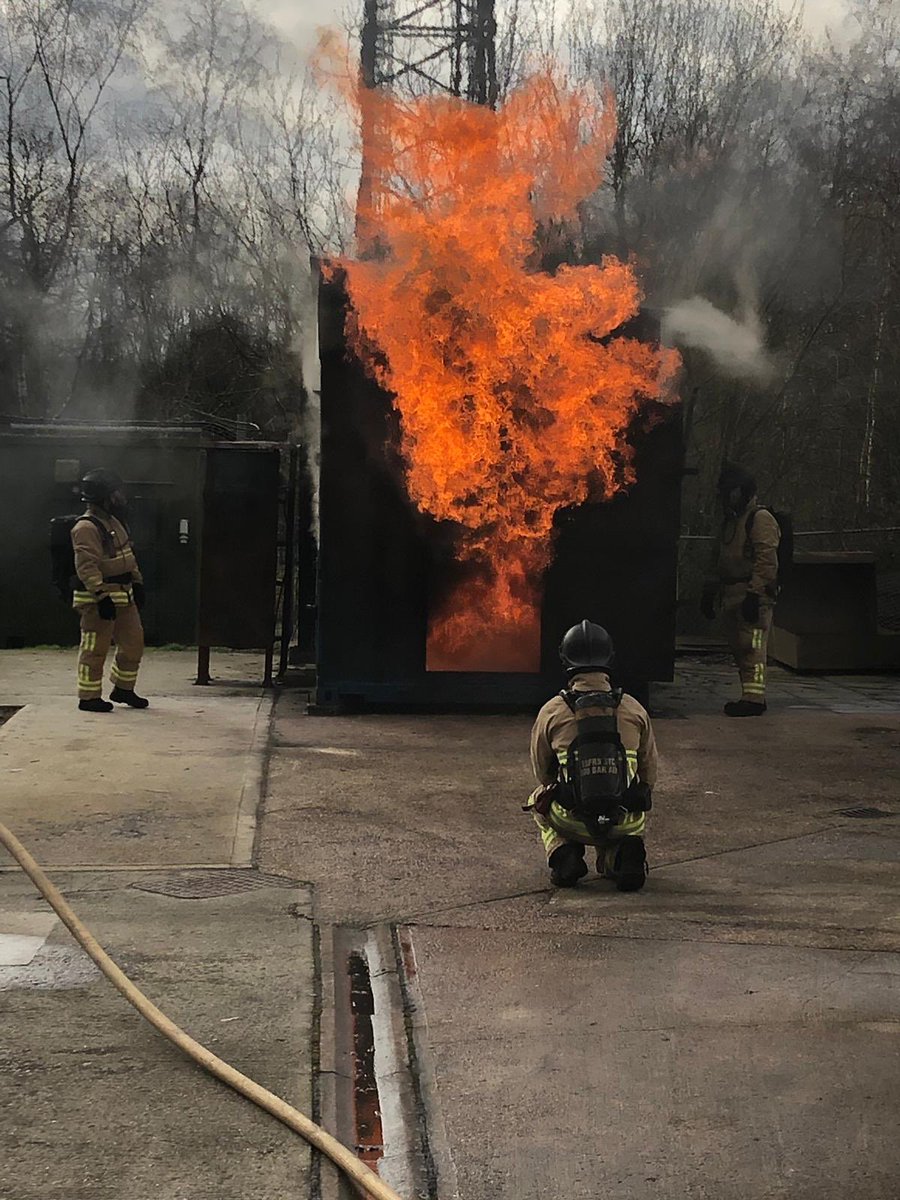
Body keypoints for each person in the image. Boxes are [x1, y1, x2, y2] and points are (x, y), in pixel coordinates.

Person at [525, 620, 658, 891]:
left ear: (565, 659)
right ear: (609, 657)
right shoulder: (634, 709)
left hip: (570, 819)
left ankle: (564, 854)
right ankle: (621, 856)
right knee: (628, 815)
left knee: (537, 797)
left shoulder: (552, 711)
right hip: (626, 820)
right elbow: (649, 773)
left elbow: (542, 771)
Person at [701, 463, 780, 717]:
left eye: (732, 492)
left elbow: (766, 559)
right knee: (739, 647)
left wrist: (755, 595)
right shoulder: (731, 522)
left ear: (743, 491)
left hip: (752, 596)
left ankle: (755, 699)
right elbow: (718, 557)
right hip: (731, 593)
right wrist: (710, 590)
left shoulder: (760, 519)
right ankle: (749, 694)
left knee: (754, 647)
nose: (727, 497)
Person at [71, 469, 149, 713]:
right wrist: (101, 595)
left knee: (134, 644)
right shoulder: (85, 527)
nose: (121, 496)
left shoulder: (114, 522)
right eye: (116, 492)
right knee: (95, 649)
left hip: (124, 595)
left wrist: (137, 582)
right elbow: (87, 566)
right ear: (105, 496)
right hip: (98, 600)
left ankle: (123, 689)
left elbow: (128, 556)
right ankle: (89, 696)